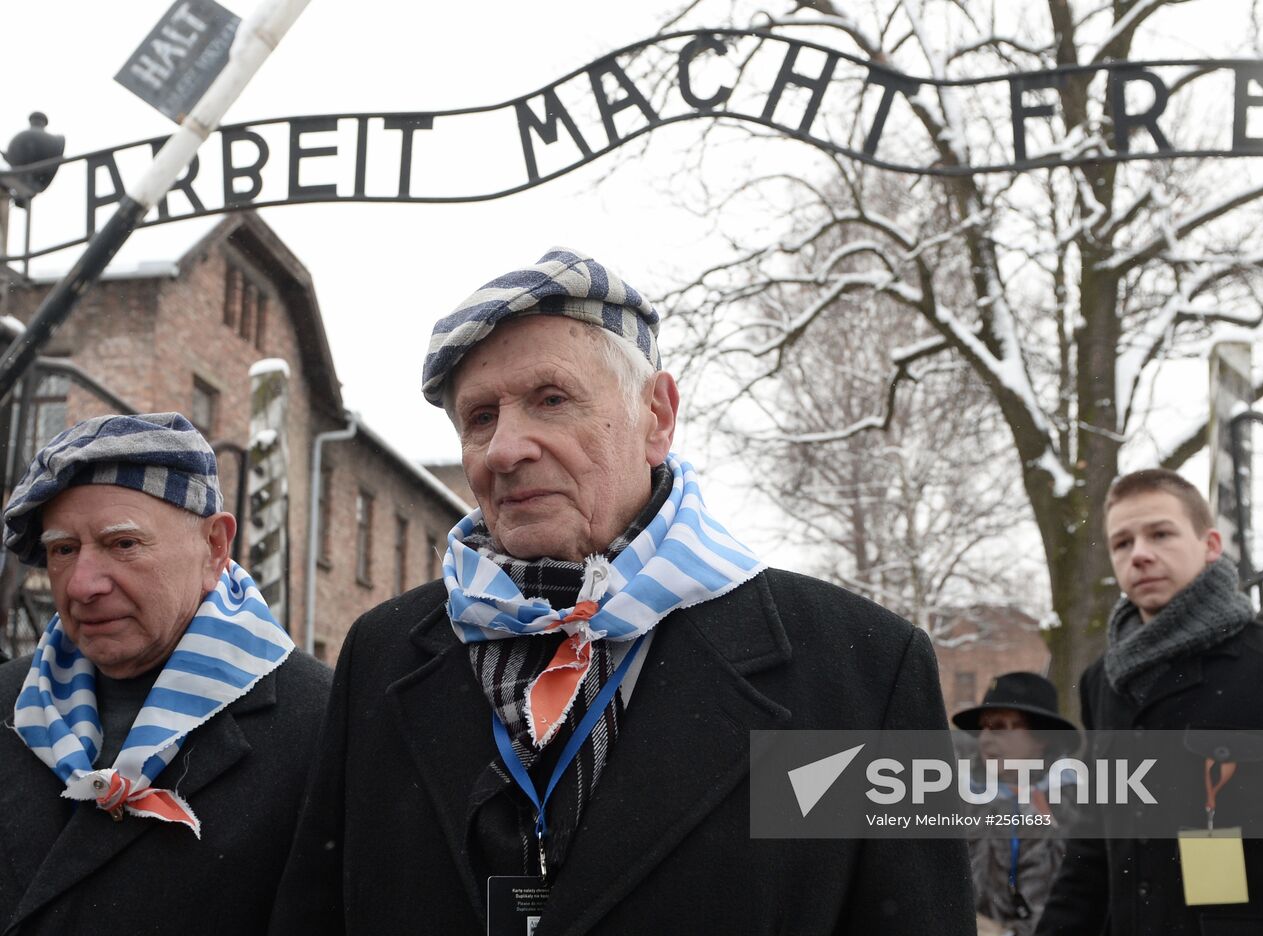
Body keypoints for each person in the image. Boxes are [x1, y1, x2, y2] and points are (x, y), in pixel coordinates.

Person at [271, 248, 976, 935]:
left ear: (657, 417)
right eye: (480, 417)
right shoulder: (384, 654)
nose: (505, 449)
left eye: (551, 400)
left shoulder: (862, 672)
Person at [0, 413, 331, 935]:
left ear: (214, 547)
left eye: (123, 544)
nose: (82, 584)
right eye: (63, 550)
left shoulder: (322, 724)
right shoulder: (9, 699)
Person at [1035, 468, 1263, 936]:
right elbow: (1091, 853)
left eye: (1160, 534)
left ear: (1209, 545)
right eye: (1122, 543)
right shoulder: (1102, 682)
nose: (1139, 554)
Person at [953, 672, 1079, 936]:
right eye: (982, 727)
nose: (985, 739)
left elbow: (1076, 908)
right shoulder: (956, 799)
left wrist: (1003, 934)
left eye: (999, 726)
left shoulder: (1079, 810)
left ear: (1041, 737)